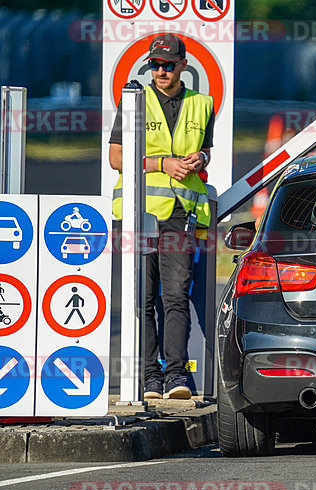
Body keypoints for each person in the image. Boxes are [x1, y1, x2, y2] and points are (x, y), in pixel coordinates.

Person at [108, 33, 215, 400]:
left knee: (175, 296)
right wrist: (161, 163)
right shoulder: (134, 102)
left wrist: (201, 159)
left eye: (168, 65)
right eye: (156, 65)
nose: (161, 71)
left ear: (183, 66)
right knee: (142, 299)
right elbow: (117, 158)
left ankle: (177, 376)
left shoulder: (202, 104)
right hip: (139, 214)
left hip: (181, 215)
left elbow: (206, 152)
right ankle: (149, 377)